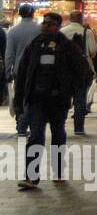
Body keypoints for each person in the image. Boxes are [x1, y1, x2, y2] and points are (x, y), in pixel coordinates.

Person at [14, 13, 82, 190]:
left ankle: (58, 172)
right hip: (37, 100)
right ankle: (31, 177)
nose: (45, 26)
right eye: (44, 23)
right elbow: (22, 74)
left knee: (58, 134)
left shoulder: (67, 47)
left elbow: (82, 72)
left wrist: (70, 91)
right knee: (36, 135)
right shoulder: (34, 45)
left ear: (58, 26)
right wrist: (19, 99)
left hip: (58, 100)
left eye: (50, 24)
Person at [6, 3, 42, 136]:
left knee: (20, 95)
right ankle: (31, 123)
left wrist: (8, 71)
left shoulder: (13, 31)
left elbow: (9, 54)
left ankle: (20, 122)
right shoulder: (39, 29)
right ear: (33, 14)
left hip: (19, 69)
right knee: (34, 97)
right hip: (38, 69)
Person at [60, 10, 97, 135]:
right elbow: (93, 51)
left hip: (65, 70)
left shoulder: (62, 32)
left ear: (70, 18)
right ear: (81, 19)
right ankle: (79, 128)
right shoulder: (87, 32)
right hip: (82, 70)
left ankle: (60, 125)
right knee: (80, 98)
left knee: (64, 98)